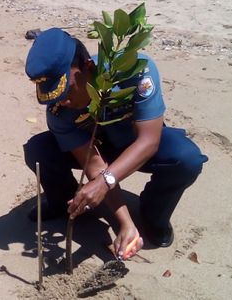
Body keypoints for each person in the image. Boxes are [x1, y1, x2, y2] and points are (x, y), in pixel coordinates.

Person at [24, 30, 208, 256]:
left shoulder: (134, 70)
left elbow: (149, 141)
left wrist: (104, 182)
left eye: (67, 90)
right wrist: (125, 224)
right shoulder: (59, 111)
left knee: (186, 159)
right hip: (97, 150)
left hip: (137, 145)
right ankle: (68, 204)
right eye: (54, 96)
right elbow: (94, 165)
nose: (63, 101)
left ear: (88, 67)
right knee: (38, 150)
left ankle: (153, 216)